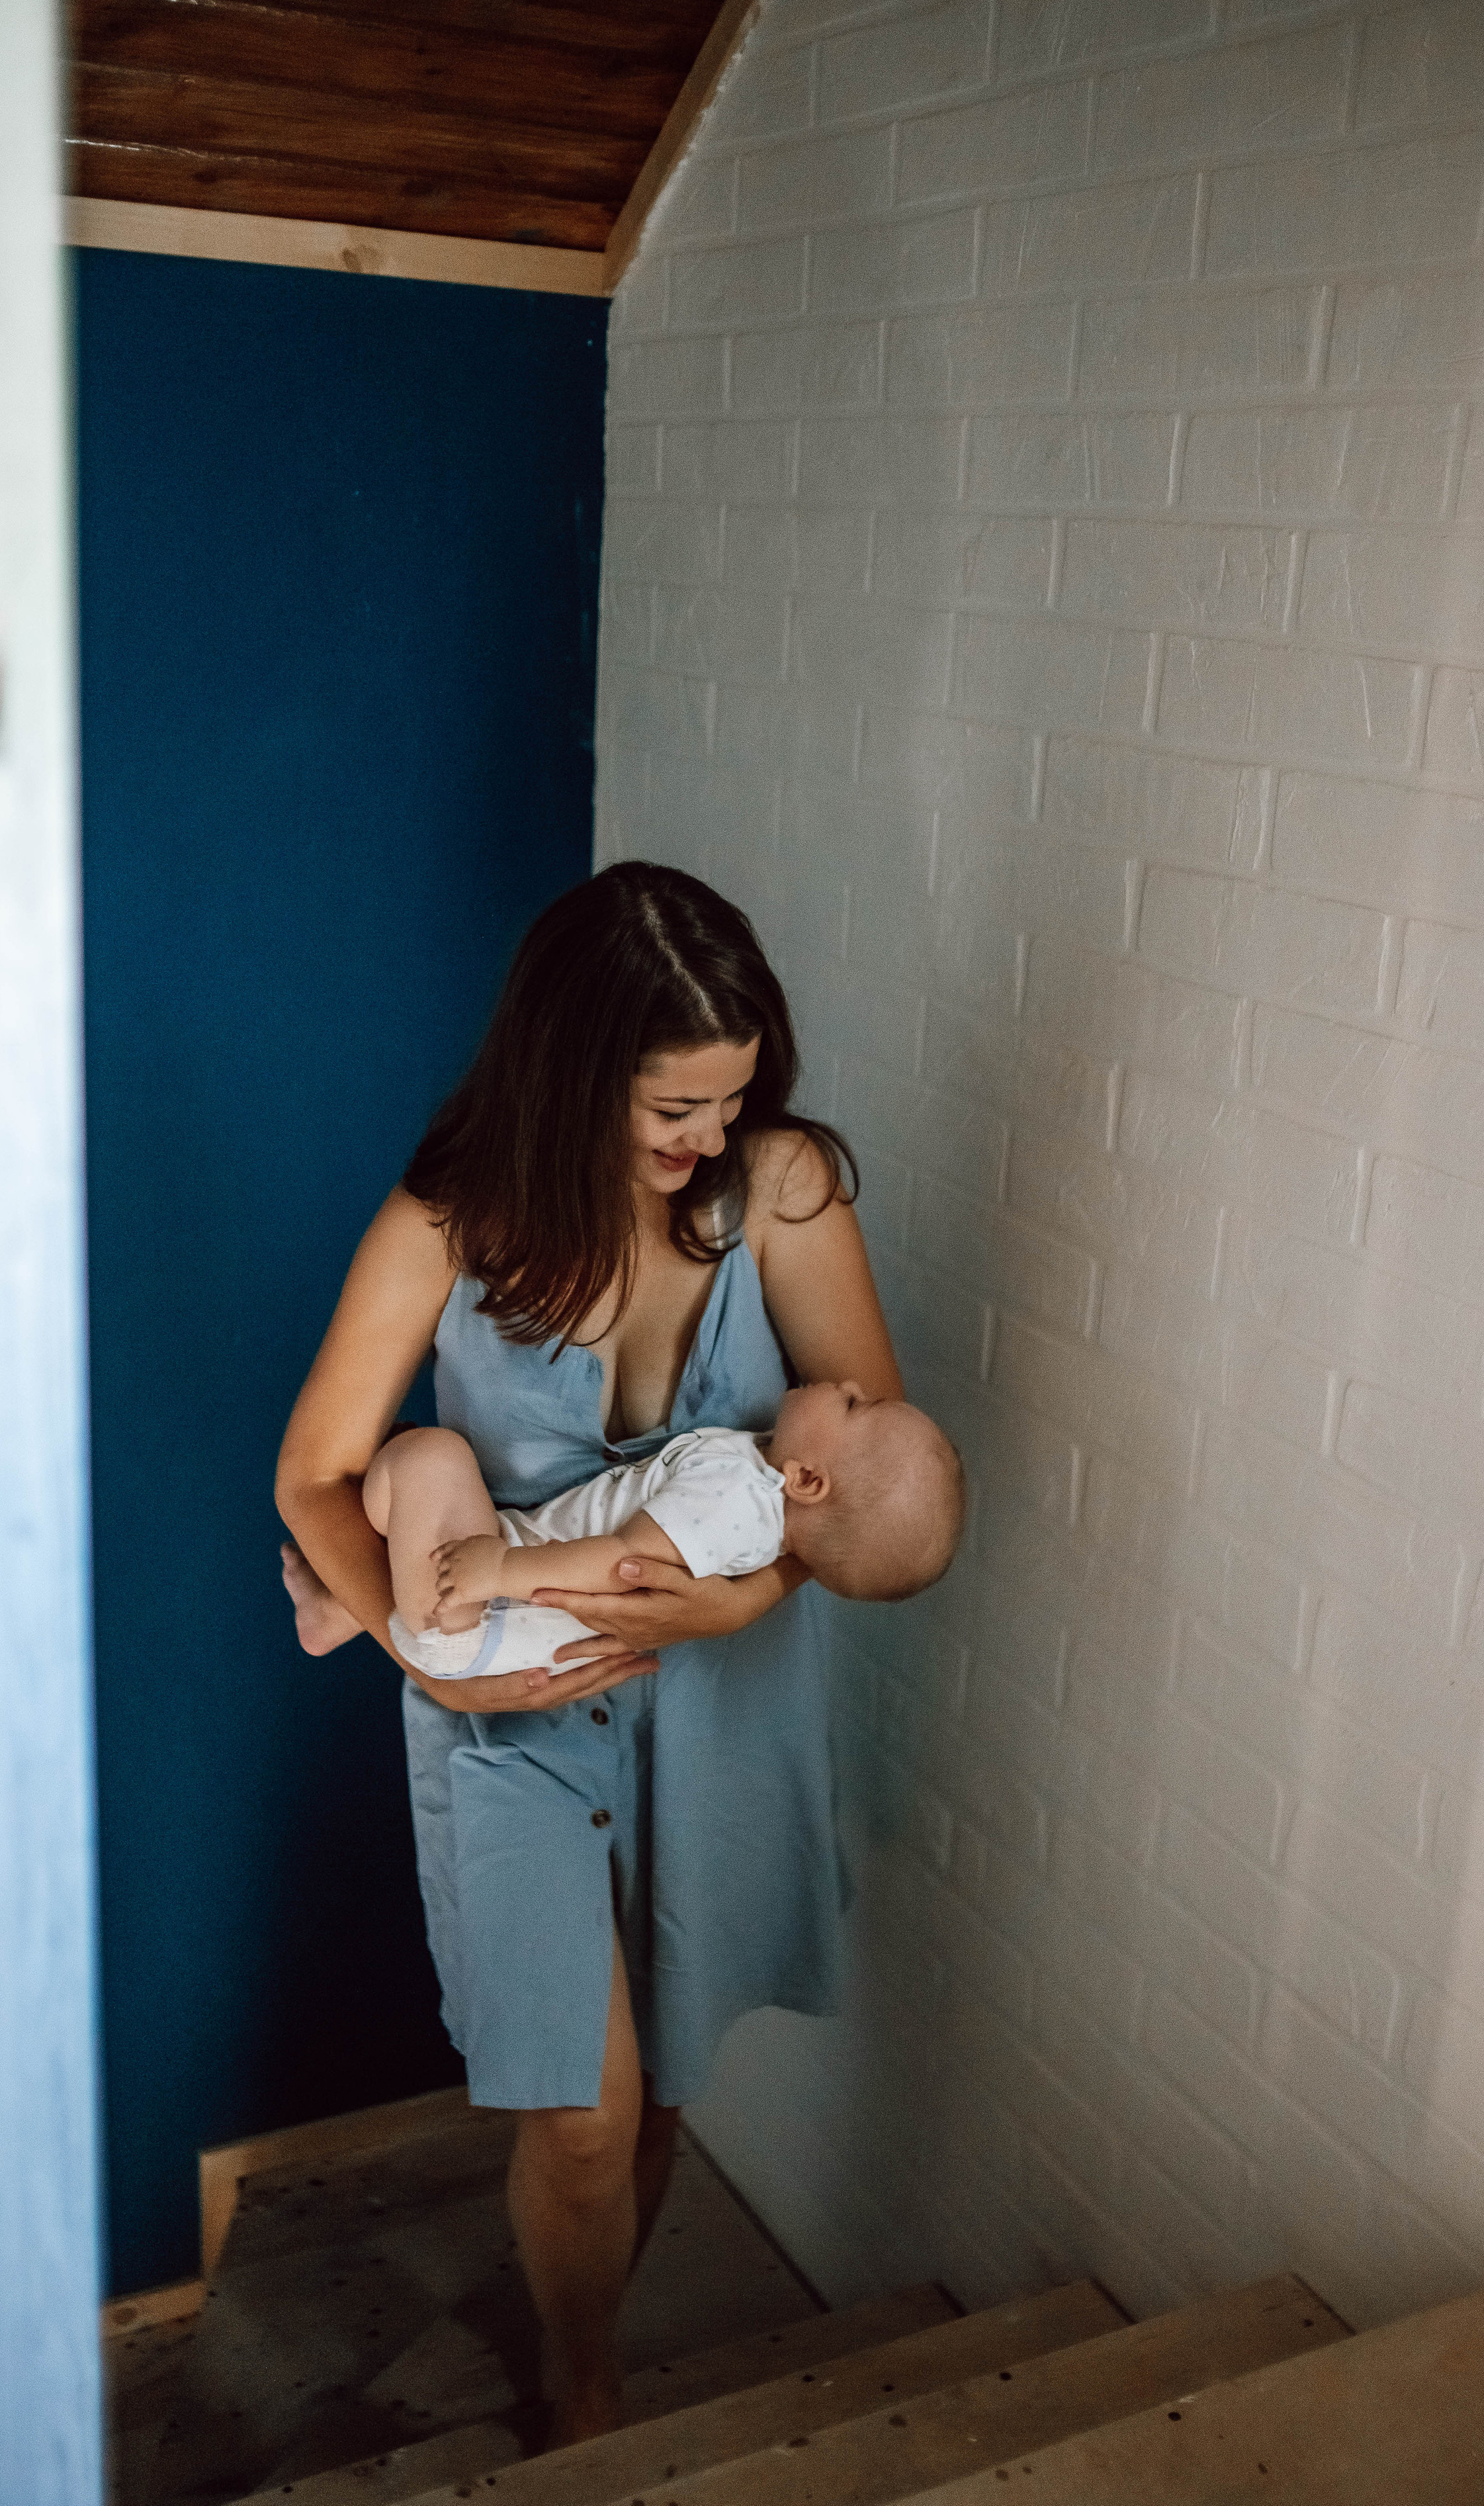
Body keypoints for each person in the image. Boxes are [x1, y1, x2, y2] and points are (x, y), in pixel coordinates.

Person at [275, 863, 912, 2448]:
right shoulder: (446, 1223)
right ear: (568, 1074)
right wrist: (433, 1664)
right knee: (576, 2110)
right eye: (669, 1108)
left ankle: (591, 2340)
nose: (709, 1139)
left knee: (667, 2074)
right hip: (512, 1698)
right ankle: (580, 2382)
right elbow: (311, 1472)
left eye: (730, 1096)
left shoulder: (784, 1190)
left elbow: (858, 1475)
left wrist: (732, 1606)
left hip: (724, 1696)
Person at [284, 1382, 965, 1681]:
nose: (845, 1380)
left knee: (427, 1456)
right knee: (413, 1473)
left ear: (808, 1481)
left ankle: (350, 1608)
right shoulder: (760, 1496)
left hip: (477, 1610)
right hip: (485, 1609)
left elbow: (624, 1564)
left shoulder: (737, 1499)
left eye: (852, 1402)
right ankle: (337, 1612)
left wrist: (497, 1573)